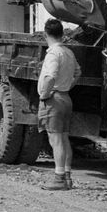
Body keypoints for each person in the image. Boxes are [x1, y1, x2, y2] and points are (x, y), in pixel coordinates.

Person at [38, 18, 81, 191]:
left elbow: (50, 76)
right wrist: (69, 86)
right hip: (66, 97)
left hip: (54, 100)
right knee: (64, 138)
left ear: (45, 34)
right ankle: (67, 177)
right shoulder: (69, 52)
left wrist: (45, 94)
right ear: (62, 34)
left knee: (55, 140)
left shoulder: (53, 53)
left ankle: (59, 179)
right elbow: (78, 72)